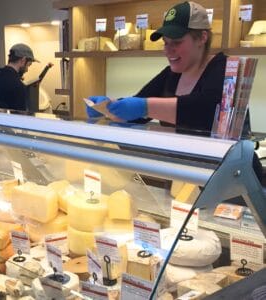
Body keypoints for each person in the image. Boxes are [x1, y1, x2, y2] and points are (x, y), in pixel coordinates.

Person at [86, 1, 263, 182]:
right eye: (166, 43)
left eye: (176, 42)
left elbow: (206, 111)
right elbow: (138, 108)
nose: (168, 51)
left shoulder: (225, 68)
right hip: (189, 176)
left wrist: (145, 107)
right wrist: (108, 106)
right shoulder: (171, 74)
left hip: (234, 179)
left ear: (202, 37)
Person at [0, 43, 39, 111]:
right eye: (28, 65)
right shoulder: (17, 86)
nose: (27, 70)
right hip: (2, 121)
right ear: (23, 60)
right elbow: (20, 117)